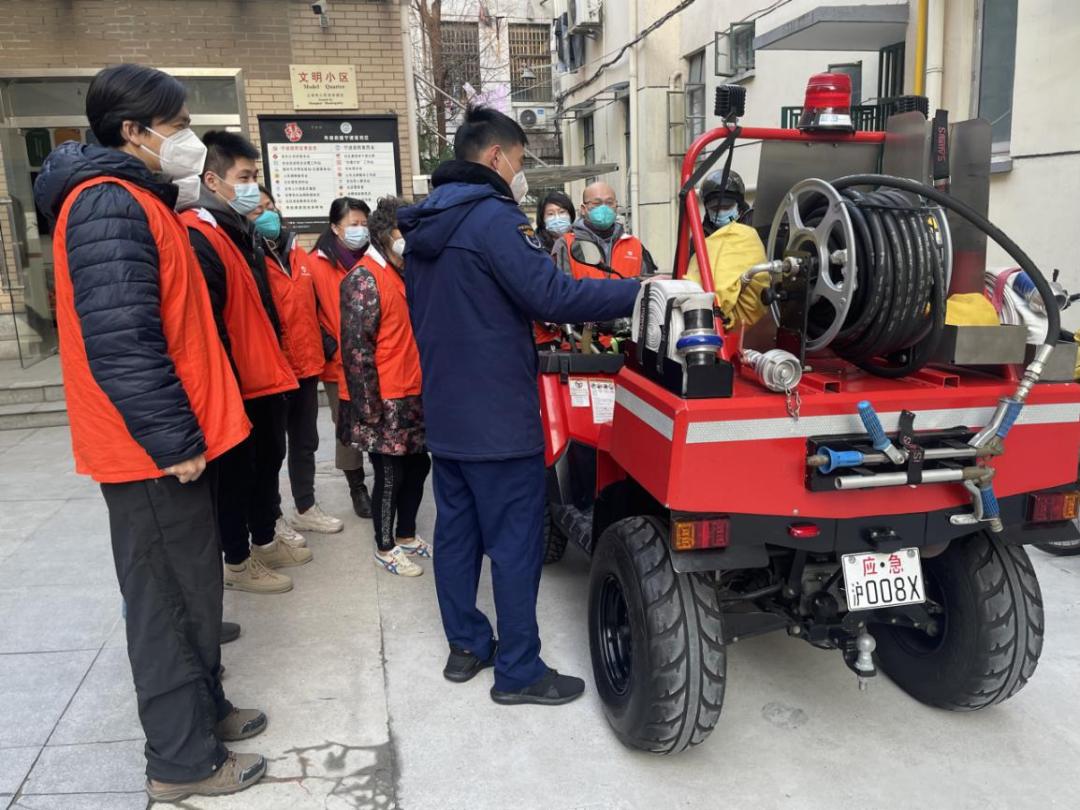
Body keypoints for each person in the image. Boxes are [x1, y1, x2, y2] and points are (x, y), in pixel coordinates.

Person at [33, 63, 266, 802]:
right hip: (150, 453)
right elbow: (123, 341)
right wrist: (175, 441)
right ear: (133, 131)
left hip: (173, 440)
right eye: (178, 124)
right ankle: (181, 763)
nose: (188, 138)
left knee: (192, 594)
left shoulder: (134, 197)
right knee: (167, 604)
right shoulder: (106, 204)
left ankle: (207, 710)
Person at [399, 105, 640, 706]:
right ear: (495, 156)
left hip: (448, 414)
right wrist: (641, 291)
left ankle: (465, 646)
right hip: (499, 417)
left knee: (456, 533)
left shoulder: (427, 223)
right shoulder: (492, 219)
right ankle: (519, 670)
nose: (521, 172)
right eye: (519, 159)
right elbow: (551, 295)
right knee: (514, 542)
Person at [180, 131, 312, 595]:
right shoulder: (200, 235)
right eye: (244, 177)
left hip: (264, 374)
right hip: (237, 381)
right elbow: (210, 322)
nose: (252, 186)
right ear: (212, 181)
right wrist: (228, 386)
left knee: (266, 464)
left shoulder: (240, 231)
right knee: (238, 476)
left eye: (255, 176)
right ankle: (237, 560)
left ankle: (264, 539)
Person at [339, 197, 433, 577]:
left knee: (419, 466)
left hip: (412, 392)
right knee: (390, 474)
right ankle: (384, 545)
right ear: (383, 234)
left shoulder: (403, 272)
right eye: (402, 230)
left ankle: (406, 534)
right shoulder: (364, 278)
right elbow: (356, 349)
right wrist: (369, 409)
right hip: (384, 399)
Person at [254, 188, 344, 537]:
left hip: (308, 365)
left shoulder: (299, 255)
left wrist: (326, 345)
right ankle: (272, 515)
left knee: (305, 442)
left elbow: (317, 307)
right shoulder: (250, 258)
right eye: (259, 209)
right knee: (272, 449)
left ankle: (305, 506)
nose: (268, 214)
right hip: (272, 371)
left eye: (270, 206)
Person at [309, 197, 374, 520]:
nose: (360, 230)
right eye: (353, 224)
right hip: (339, 364)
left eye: (364, 224)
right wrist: (331, 346)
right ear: (335, 227)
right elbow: (308, 314)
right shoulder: (316, 263)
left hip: (376, 359)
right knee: (347, 427)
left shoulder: (375, 259)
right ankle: (357, 487)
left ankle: (384, 477)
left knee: (378, 421)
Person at [685, 169, 770, 331]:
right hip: (708, 316)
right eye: (714, 207)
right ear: (706, 209)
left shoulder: (754, 229)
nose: (721, 212)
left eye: (727, 206)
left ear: (739, 204)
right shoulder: (698, 239)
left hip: (749, 318)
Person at [552, 180, 657, 280]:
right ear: (583, 209)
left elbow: (647, 285)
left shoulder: (635, 245)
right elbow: (561, 288)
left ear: (616, 207)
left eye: (609, 203)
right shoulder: (566, 244)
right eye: (597, 203)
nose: (604, 208)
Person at [534, 191, 576, 348]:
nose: (557, 218)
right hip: (545, 336)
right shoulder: (534, 247)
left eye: (562, 212)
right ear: (542, 219)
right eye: (550, 214)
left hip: (580, 332)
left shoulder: (582, 243)